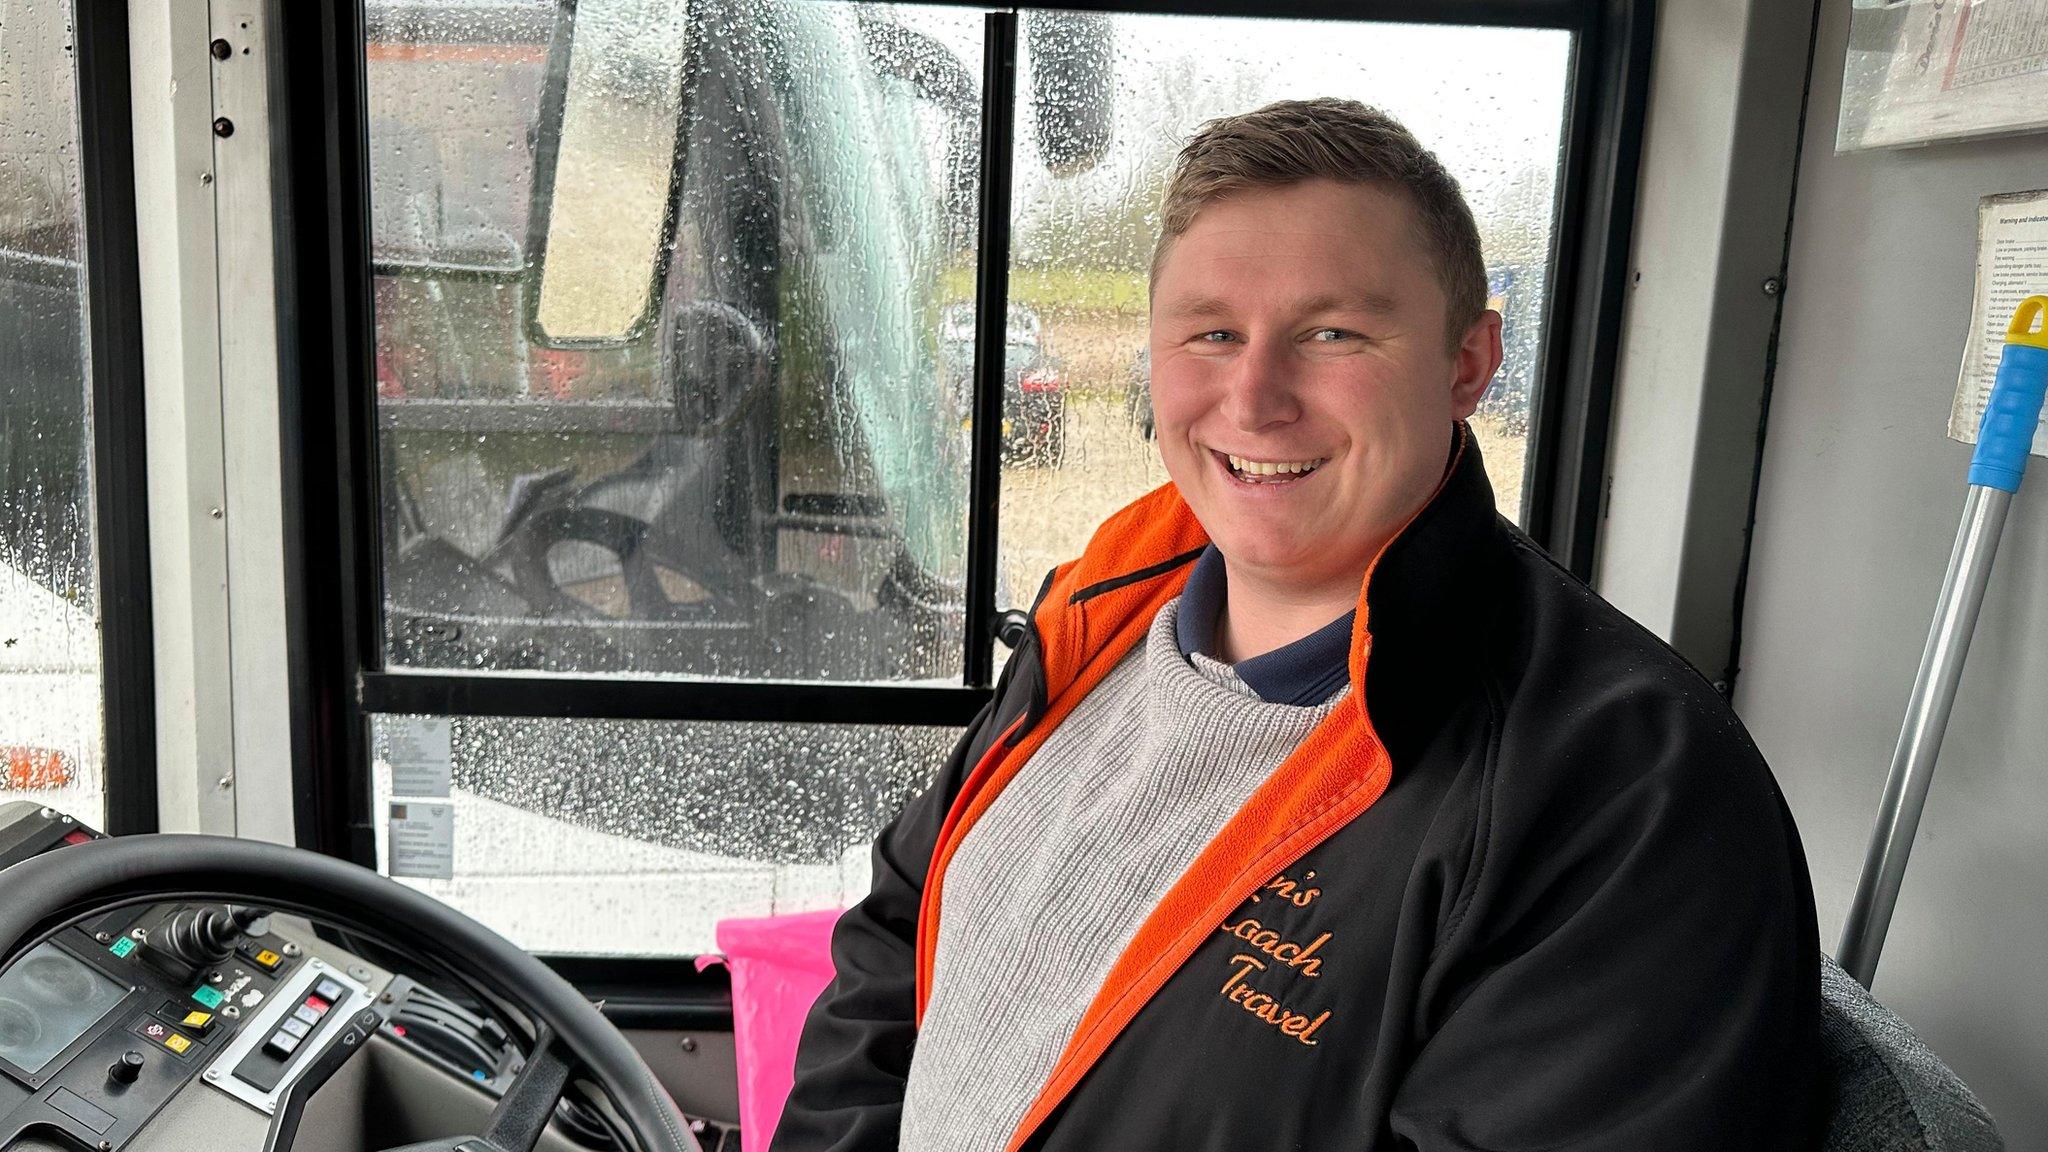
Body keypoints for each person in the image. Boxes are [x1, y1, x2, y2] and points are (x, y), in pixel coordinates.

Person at [771, 98, 1822, 1152]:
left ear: (1467, 362)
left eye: (1332, 333)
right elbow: (899, 936)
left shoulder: (1625, 788)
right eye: (1211, 333)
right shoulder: (1097, 618)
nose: (1254, 396)